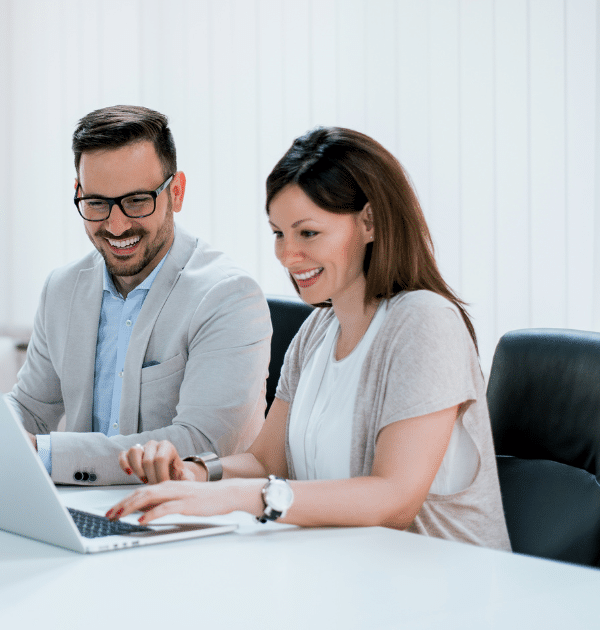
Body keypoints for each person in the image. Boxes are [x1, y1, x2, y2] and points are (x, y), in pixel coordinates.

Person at [107, 126, 511, 550]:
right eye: (279, 233)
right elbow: (265, 460)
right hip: (349, 577)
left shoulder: (425, 323)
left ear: (369, 222)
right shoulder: (318, 329)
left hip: (445, 594)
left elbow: (394, 500)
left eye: (308, 233)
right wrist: (198, 474)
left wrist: (242, 498)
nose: (286, 255)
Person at [6, 105, 273, 486]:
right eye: (97, 203)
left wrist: (47, 455)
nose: (116, 225)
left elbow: (203, 443)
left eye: (136, 201)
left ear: (176, 192)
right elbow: (30, 408)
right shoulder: (61, 289)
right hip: (81, 505)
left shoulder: (227, 297)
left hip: (190, 521)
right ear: (79, 193)